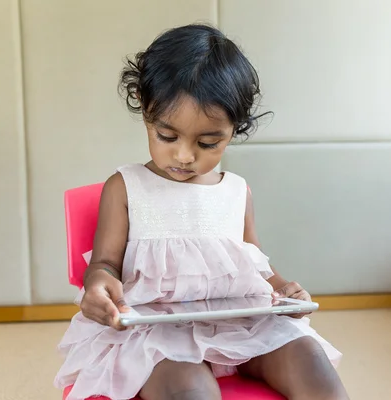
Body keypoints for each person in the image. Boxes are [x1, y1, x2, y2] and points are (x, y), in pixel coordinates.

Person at [55, 23, 348, 400]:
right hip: (154, 336)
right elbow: (105, 264)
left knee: (310, 357)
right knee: (191, 389)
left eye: (208, 142)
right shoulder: (125, 187)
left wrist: (284, 291)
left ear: (234, 130)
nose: (184, 155)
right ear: (145, 110)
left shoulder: (236, 191)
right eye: (167, 136)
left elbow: (254, 263)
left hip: (239, 325)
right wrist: (98, 283)